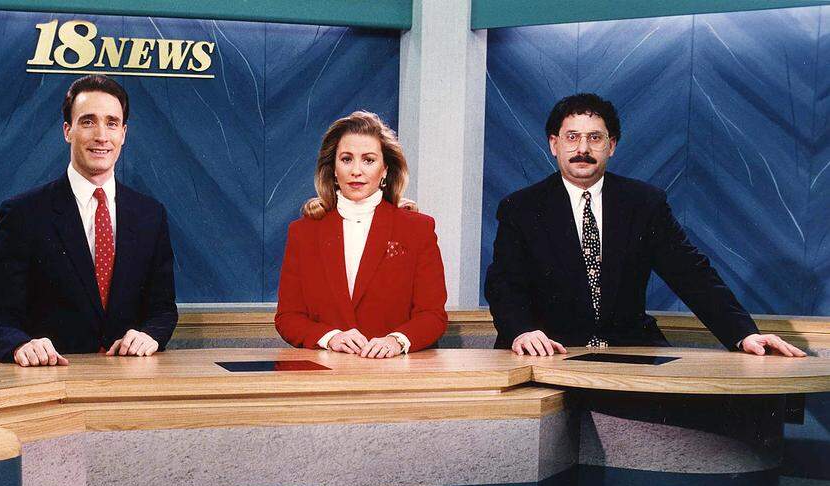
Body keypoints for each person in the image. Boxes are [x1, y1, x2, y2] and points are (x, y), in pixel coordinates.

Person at [484, 92, 804, 358]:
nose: (582, 149)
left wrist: (743, 334)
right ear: (554, 144)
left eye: (595, 138)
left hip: (629, 347)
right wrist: (521, 331)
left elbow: (692, 274)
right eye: (572, 137)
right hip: (552, 351)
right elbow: (504, 285)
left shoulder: (644, 203)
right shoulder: (521, 208)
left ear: (612, 146)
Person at [0, 75, 177, 366]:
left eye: (111, 123)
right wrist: (21, 346)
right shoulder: (23, 214)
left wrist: (150, 335)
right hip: (51, 385)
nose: (101, 136)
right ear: (67, 131)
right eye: (88, 122)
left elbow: (163, 310)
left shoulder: (150, 215)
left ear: (123, 133)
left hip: (130, 387)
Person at [275, 111, 447, 358]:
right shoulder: (303, 232)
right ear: (333, 169)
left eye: (368, 160)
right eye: (346, 159)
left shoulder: (418, 229)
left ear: (385, 169)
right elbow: (288, 317)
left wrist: (396, 341)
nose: (356, 170)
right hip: (326, 375)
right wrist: (331, 337)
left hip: (395, 375)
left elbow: (433, 315)